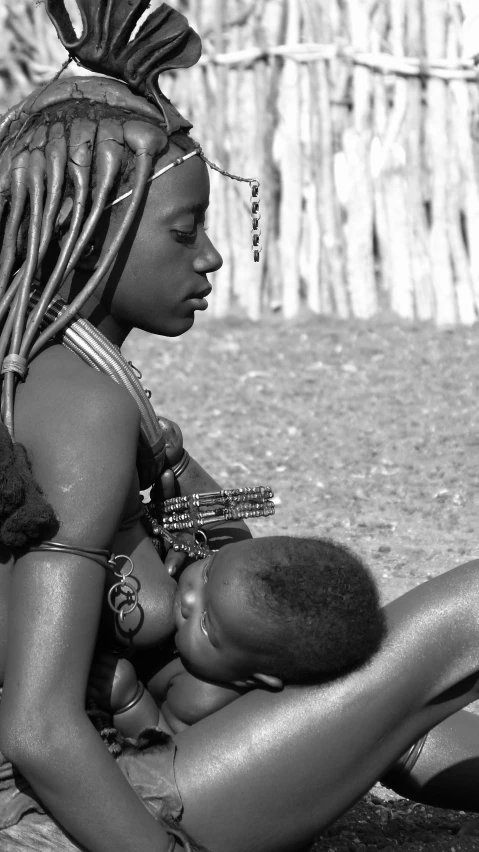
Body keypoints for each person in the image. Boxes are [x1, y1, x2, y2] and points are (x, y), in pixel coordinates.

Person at [0, 3, 478, 851]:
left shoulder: (69, 373)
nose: (211, 258)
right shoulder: (80, 405)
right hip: (89, 810)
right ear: (91, 244)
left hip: (145, 755)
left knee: (389, 707)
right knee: (464, 614)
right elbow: (37, 730)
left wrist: (189, 492)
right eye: (184, 232)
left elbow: (190, 538)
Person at [88, 536, 386, 736]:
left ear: (253, 678)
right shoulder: (231, 620)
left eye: (205, 622)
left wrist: (130, 702)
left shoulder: (204, 698)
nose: (190, 598)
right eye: (208, 571)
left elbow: (172, 757)